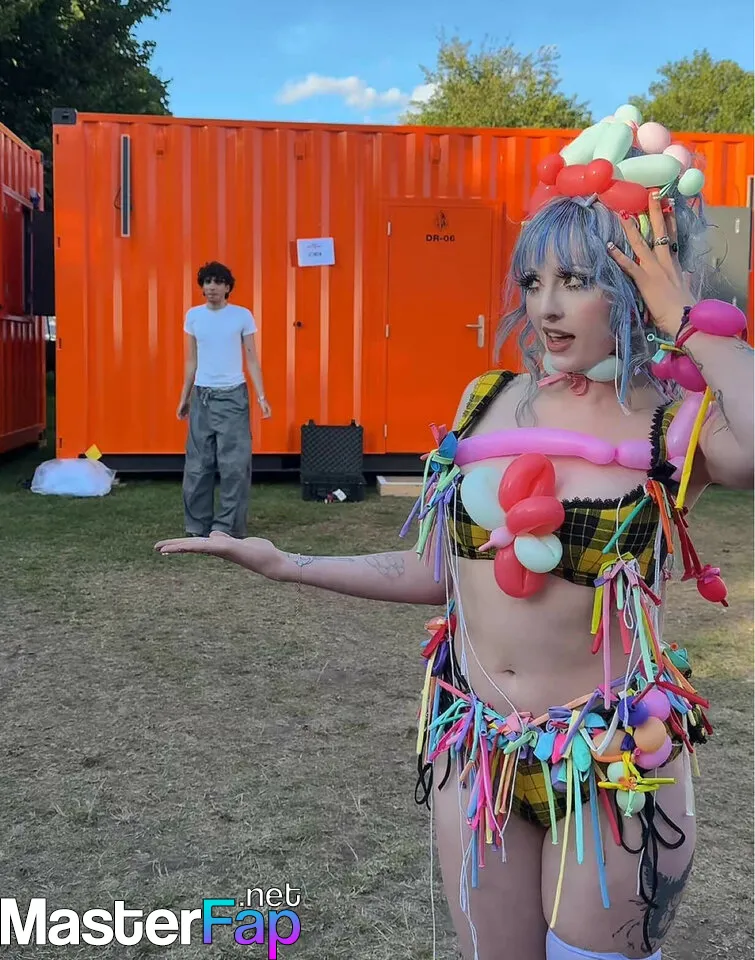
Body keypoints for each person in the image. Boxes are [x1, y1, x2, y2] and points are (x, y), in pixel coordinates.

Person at [156, 111, 753, 960]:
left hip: (614, 755)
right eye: (532, 280)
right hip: (478, 751)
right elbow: (436, 570)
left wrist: (687, 316)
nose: (545, 306)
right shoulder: (485, 402)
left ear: (632, 286)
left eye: (576, 280)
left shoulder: (677, 419)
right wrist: (287, 563)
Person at [177, 261, 272, 538]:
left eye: (218, 282)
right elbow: (191, 361)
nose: (212, 287)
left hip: (232, 398)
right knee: (198, 465)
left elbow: (251, 359)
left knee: (234, 466)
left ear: (227, 287)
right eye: (207, 282)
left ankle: (227, 527)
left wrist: (262, 396)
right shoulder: (194, 316)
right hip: (202, 397)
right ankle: (197, 527)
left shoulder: (241, 316)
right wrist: (185, 397)